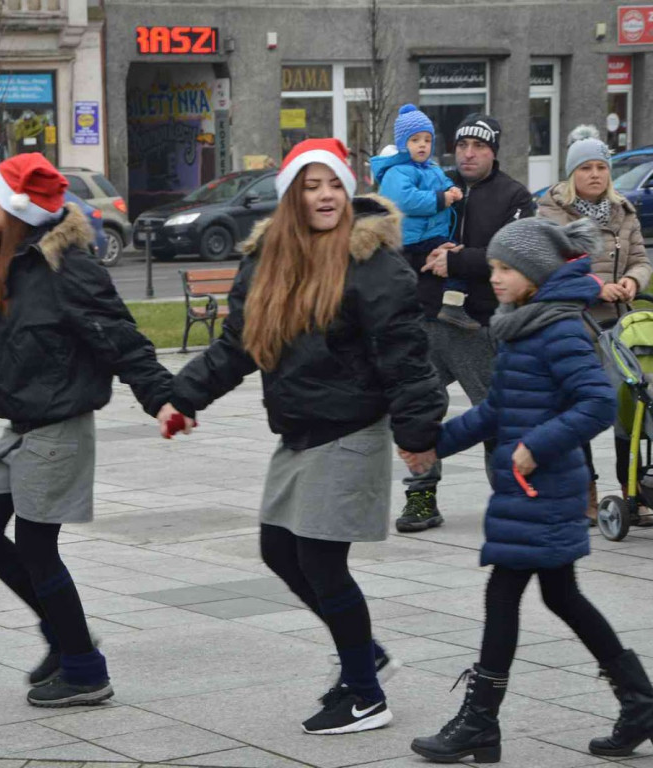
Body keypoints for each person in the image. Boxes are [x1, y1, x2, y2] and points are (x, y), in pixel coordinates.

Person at [158, 139, 446, 734]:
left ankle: (365, 695)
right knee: (277, 548)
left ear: (349, 191)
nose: (325, 196)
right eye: (312, 186)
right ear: (291, 196)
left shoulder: (372, 262)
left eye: (334, 185)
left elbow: (407, 355)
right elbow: (238, 344)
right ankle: (363, 656)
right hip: (300, 429)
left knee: (319, 557)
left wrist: (418, 432)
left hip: (351, 426)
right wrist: (183, 397)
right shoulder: (268, 259)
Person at [0, 153, 172, 708]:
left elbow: (120, 337)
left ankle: (86, 670)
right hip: (22, 422)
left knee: (37, 546)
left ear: (15, 208)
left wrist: (163, 398)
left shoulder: (67, 268)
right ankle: (66, 639)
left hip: (61, 421)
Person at [409, 217, 653, 763]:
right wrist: (436, 445)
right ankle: (639, 701)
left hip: (544, 485)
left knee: (507, 593)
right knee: (560, 595)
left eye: (504, 269)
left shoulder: (560, 328)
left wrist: (537, 446)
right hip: (528, 486)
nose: (494, 277)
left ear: (535, 274)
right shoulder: (521, 323)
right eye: (491, 267)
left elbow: (595, 402)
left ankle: (480, 722)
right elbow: (497, 409)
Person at [396, 114, 535, 533]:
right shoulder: (431, 181)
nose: (469, 154)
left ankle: (510, 499)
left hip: (478, 326)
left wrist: (458, 260)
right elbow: (399, 235)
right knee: (413, 411)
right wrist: (426, 258)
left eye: (479, 147)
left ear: (494, 151)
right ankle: (421, 497)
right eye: (462, 146)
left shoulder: (515, 196)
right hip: (425, 321)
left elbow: (515, 255)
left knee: (497, 416)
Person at [537, 125, 653, 524]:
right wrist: (596, 286)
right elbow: (548, 267)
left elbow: (641, 258)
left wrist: (631, 281)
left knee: (629, 409)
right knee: (580, 410)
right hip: (573, 322)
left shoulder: (624, 211)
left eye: (601, 167)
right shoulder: (551, 213)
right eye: (585, 168)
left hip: (619, 328)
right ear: (572, 174)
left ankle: (632, 491)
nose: (595, 175)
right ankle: (583, 493)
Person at [370, 104, 471, 329]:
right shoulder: (397, 171)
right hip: (412, 238)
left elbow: (444, 182)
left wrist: (453, 190)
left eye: (427, 139)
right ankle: (452, 306)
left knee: (453, 258)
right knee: (454, 260)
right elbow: (404, 200)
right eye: (415, 140)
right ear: (402, 144)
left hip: (431, 233)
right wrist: (440, 199)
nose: (422, 145)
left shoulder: (432, 168)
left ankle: (450, 305)